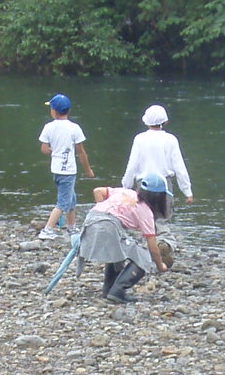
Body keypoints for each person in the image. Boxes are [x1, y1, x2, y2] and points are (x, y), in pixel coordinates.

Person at [79, 173, 170, 302]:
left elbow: (97, 191)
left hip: (90, 222)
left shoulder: (125, 192)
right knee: (144, 256)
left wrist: (102, 208)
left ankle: (109, 289)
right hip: (108, 225)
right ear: (160, 198)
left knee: (116, 250)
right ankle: (118, 291)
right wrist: (160, 265)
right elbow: (152, 245)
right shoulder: (146, 212)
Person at [36, 94, 93, 239]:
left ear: (54, 111)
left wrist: (54, 151)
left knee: (71, 198)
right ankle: (47, 230)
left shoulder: (48, 127)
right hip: (68, 171)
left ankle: (72, 227)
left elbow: (44, 149)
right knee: (63, 202)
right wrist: (88, 170)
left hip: (56, 169)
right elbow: (81, 151)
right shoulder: (75, 128)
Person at [122, 104, 193, 201]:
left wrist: (126, 187)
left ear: (146, 122)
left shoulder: (139, 139)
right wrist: (187, 192)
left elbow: (132, 166)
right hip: (164, 185)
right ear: (166, 122)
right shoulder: (171, 139)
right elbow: (179, 167)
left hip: (144, 185)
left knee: (144, 215)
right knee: (164, 215)